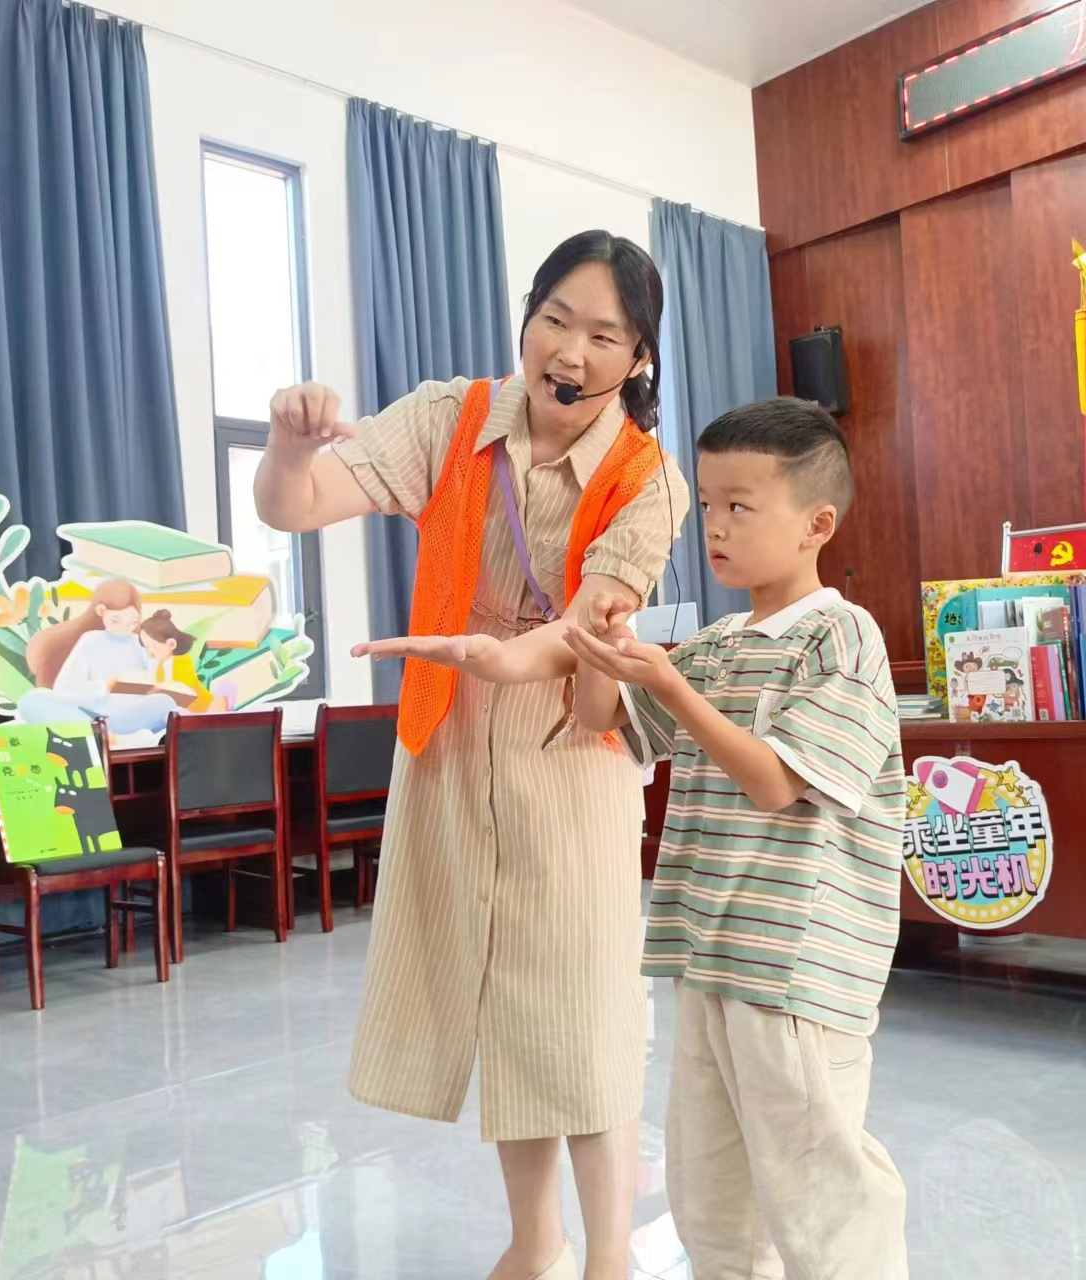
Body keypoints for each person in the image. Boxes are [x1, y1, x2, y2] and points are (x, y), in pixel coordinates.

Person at [255, 231, 688, 1280]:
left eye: (602, 336)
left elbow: (587, 629)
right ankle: (535, 1243)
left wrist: (500, 655)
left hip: (567, 745)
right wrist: (287, 446)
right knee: (501, 1001)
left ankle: (610, 1256)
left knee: (581, 1005)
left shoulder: (651, 479)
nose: (569, 352)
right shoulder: (450, 415)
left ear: (637, 357)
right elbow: (293, 506)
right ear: (526, 316)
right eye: (554, 320)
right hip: (447, 736)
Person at [411, 398, 909, 1276]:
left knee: (817, 1193)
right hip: (711, 957)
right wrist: (603, 646)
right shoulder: (717, 643)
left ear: (817, 525)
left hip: (795, 970)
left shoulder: (841, 636)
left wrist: (673, 686)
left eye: (740, 507)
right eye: (708, 505)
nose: (715, 527)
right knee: (712, 1199)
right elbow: (604, 720)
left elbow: (776, 782)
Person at [18, 579, 180, 736]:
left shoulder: (140, 643)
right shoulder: (90, 640)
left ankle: (109, 735)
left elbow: (151, 683)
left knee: (165, 703)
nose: (125, 628)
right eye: (116, 620)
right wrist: (104, 686)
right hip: (87, 714)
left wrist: (155, 673)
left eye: (132, 622)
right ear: (101, 611)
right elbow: (64, 689)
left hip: (125, 717)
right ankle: (99, 734)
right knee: (32, 700)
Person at [137, 610, 215, 713]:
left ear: (171, 644)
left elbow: (182, 688)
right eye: (146, 647)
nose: (150, 652)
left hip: (198, 707)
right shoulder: (158, 663)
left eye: (154, 647)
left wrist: (157, 690)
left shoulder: (181, 660)